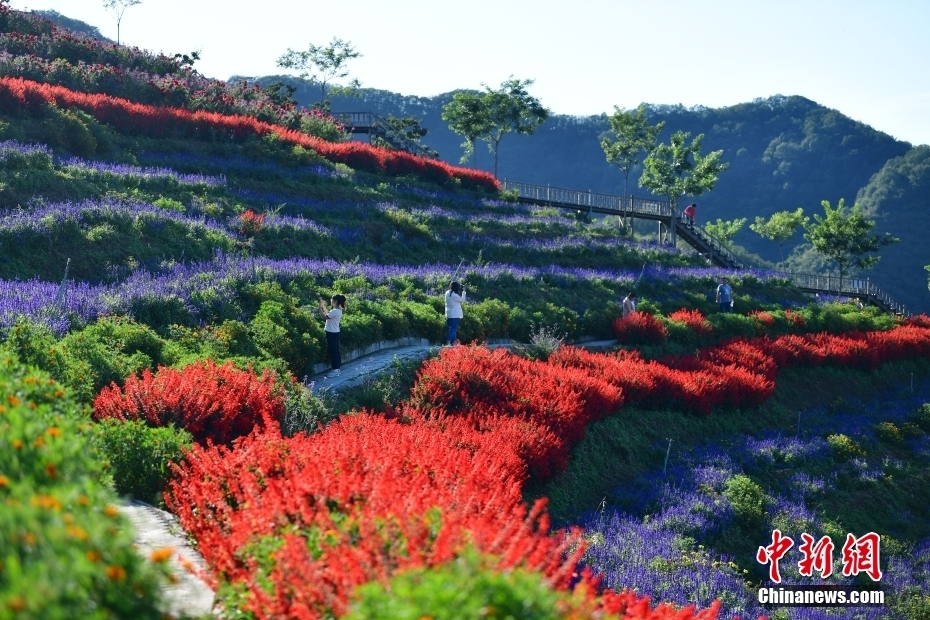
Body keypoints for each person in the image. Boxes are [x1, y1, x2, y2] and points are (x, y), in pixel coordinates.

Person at [318, 294, 346, 377]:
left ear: (335, 301)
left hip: (331, 333)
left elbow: (324, 317)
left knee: (333, 351)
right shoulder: (337, 310)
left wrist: (320, 308)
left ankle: (336, 369)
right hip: (335, 332)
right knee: (336, 350)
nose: (330, 300)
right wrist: (323, 306)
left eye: (332, 299)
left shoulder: (335, 311)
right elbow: (328, 313)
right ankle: (338, 368)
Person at [444, 281, 466, 346]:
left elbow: (450, 291)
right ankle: (447, 343)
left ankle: (455, 343)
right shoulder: (455, 295)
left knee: (453, 329)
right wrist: (464, 291)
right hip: (455, 315)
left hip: (448, 314)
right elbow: (463, 300)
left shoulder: (447, 293)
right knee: (453, 329)